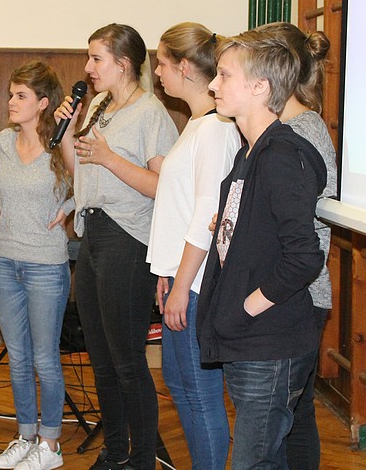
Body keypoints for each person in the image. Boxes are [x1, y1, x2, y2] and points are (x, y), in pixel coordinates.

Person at [197, 30, 327, 469]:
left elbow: (304, 256)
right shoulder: (249, 153)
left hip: (268, 342)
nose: (213, 85)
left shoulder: (281, 154)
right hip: (248, 339)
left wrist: (246, 308)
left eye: (224, 75)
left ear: (260, 87)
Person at [55, 23, 178, 470]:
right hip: (92, 235)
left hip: (127, 239)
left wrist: (110, 158)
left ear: (123, 64)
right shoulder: (100, 107)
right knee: (101, 359)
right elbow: (81, 173)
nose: (88, 68)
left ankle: (143, 458)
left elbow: (164, 185)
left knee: (127, 361)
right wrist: (68, 133)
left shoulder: (151, 113)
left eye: (96, 58)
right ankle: (114, 452)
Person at [147, 23, 241, 470]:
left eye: (162, 63)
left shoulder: (215, 129)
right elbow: (181, 208)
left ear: (184, 67)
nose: (157, 73)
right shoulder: (197, 125)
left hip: (198, 283)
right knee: (180, 384)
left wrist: (182, 285)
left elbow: (208, 213)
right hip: (182, 278)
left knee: (200, 394)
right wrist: (166, 274)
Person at [0, 60, 73, 470]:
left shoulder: (60, 143)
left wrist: (70, 205)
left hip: (47, 267)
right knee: (17, 357)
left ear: (42, 103)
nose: (11, 102)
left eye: (20, 95)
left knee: (45, 359)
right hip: (6, 262)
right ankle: (26, 435)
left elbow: (88, 182)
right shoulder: (3, 141)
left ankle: (51, 444)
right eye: (10, 94)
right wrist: (6, 199)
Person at [256, 21, 336, 470]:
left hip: (300, 292)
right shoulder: (292, 126)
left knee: (288, 417)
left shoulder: (300, 130)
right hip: (295, 290)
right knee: (294, 414)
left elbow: (295, 224)